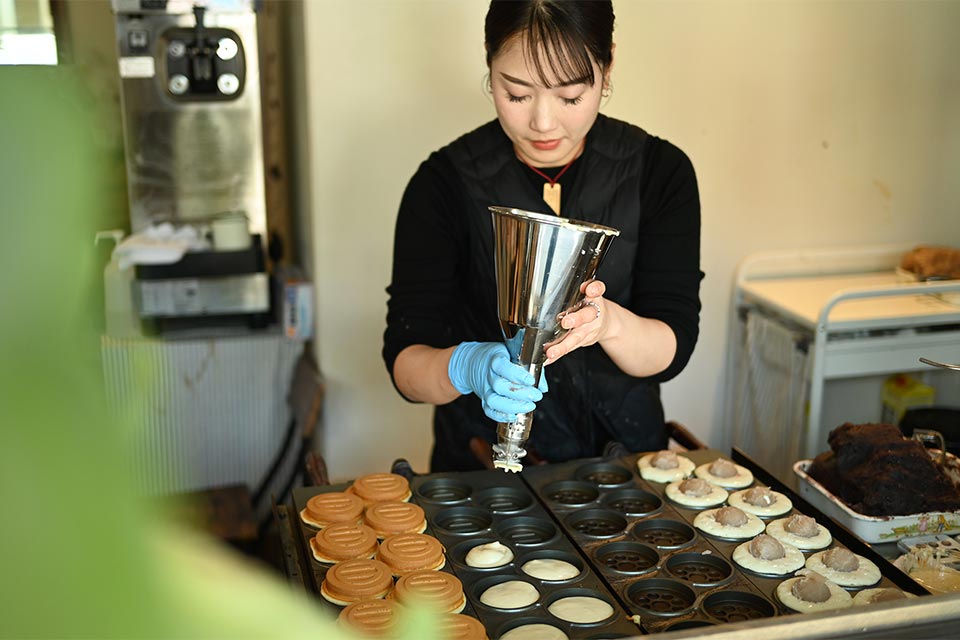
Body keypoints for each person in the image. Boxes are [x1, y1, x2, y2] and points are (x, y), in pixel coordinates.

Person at [383, 0, 702, 472]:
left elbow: (672, 343)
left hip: (625, 469)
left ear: (607, 65)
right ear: (490, 65)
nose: (544, 123)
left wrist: (609, 324)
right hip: (478, 472)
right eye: (517, 95)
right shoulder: (443, 184)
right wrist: (465, 366)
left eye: (571, 97)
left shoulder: (659, 173)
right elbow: (406, 364)